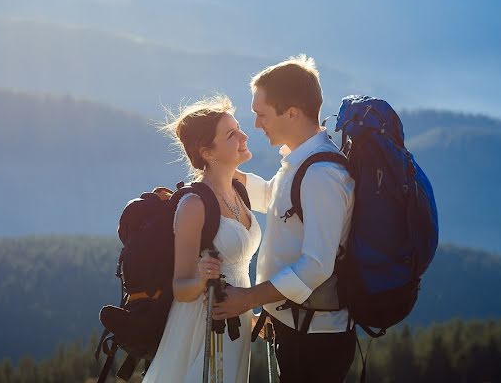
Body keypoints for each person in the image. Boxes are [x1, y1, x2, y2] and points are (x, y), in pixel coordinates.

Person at [214, 55, 357, 383]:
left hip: (315, 339)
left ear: (291, 113)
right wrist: (222, 175)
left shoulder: (322, 175)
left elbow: (317, 266)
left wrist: (249, 299)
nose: (257, 125)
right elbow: (276, 201)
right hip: (298, 326)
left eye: (261, 114)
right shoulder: (302, 162)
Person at [143, 95, 261, 383]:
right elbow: (181, 287)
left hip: (236, 319)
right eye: (231, 134)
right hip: (201, 326)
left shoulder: (240, 193)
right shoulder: (194, 205)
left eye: (238, 128)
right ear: (207, 152)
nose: (244, 136)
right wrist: (199, 279)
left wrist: (252, 311)